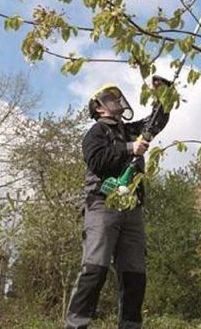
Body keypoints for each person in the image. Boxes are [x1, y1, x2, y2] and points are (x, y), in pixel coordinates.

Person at [65, 78, 170, 329]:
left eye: (117, 96)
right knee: (95, 268)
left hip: (131, 207)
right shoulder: (96, 133)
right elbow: (98, 161)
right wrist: (129, 148)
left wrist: (163, 98)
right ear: (99, 107)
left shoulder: (131, 130)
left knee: (135, 274)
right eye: (111, 97)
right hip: (102, 204)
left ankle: (130, 325)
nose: (117, 100)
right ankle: (75, 324)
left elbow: (155, 122)